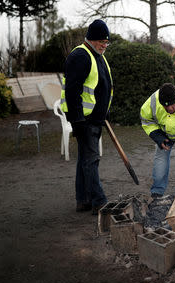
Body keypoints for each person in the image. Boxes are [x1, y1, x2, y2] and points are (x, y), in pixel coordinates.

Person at [60, 19, 113, 215]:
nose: (104, 45)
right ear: (91, 39)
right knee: (91, 160)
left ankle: (83, 200)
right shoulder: (81, 56)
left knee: (85, 159)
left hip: (96, 119)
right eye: (102, 41)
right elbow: (72, 91)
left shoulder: (98, 55)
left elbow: (102, 86)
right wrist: (77, 120)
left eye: (107, 42)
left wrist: (105, 111)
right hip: (85, 120)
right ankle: (99, 201)